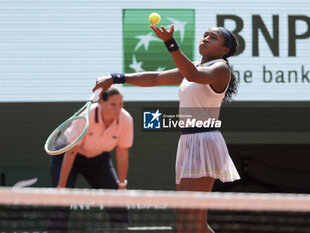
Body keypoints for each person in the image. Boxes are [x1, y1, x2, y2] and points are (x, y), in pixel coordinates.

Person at [93, 24, 240, 233]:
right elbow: (155, 78)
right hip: (188, 141)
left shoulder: (221, 68)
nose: (206, 39)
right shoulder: (194, 66)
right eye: (205, 35)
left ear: (225, 50)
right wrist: (117, 78)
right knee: (190, 222)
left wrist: (170, 42)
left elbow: (193, 75)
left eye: (213, 38)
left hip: (204, 141)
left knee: (189, 220)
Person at [49, 86, 133, 232]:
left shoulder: (126, 120)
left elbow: (122, 153)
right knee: (61, 201)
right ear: (101, 102)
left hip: (99, 159)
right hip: (69, 156)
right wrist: (61, 186)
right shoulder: (85, 117)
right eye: (113, 104)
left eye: (121, 104)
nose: (118, 109)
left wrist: (121, 185)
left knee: (119, 203)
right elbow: (71, 152)